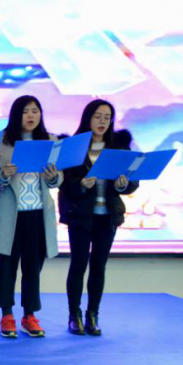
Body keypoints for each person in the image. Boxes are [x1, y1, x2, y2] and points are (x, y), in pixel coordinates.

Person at [0, 95, 63, 339]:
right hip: (10, 215)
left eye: (35, 111)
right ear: (16, 114)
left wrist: (53, 176)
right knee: (6, 268)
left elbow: (59, 177)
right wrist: (2, 175)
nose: (31, 115)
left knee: (33, 269)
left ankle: (30, 316)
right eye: (26, 111)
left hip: (38, 214)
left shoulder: (50, 141)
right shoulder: (1, 141)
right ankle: (6, 315)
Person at [59, 99, 138, 336]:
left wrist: (123, 185)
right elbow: (64, 185)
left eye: (107, 117)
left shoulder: (120, 147)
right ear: (87, 118)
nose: (102, 121)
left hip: (108, 216)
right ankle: (74, 316)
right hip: (80, 216)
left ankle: (92, 315)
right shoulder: (74, 146)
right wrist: (81, 184)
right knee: (78, 265)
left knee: (98, 267)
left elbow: (133, 182)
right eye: (98, 116)